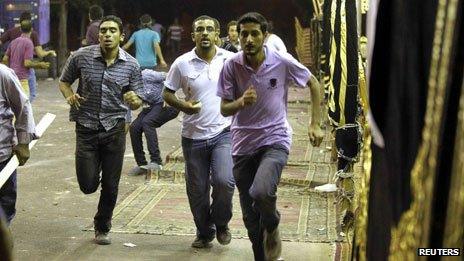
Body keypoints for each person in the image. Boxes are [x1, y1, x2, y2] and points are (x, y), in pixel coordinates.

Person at [217, 12, 324, 261]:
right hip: (242, 144)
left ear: (265, 35)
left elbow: (314, 83)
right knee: (250, 220)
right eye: (244, 34)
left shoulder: (281, 61)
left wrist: (315, 123)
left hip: (275, 139)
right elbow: (224, 108)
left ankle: (273, 224)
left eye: (255, 33)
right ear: (238, 37)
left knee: (262, 192)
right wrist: (241, 101)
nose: (249, 39)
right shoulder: (231, 65)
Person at [58, 15, 144, 245]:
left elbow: (138, 100)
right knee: (87, 185)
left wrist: (134, 100)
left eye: (112, 31)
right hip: (86, 127)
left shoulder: (131, 65)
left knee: (111, 183)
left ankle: (102, 225)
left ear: (121, 36)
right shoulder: (81, 57)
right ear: (98, 35)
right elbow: (64, 81)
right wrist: (69, 95)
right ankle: (92, 172)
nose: (107, 34)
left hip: (115, 128)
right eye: (104, 30)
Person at [163, 15, 235, 249]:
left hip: (224, 133)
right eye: (199, 30)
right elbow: (167, 93)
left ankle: (222, 223)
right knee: (197, 190)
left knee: (224, 182)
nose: (204, 33)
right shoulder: (182, 63)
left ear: (217, 35)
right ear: (193, 35)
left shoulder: (231, 60)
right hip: (193, 137)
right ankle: (204, 232)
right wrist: (184, 106)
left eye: (209, 30)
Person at [0, 63, 36, 226]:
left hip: (2, 156)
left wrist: (23, 143)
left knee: (4, 208)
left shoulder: (3, 74)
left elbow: (23, 107)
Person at [128, 69, 179, 176]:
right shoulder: (127, 86)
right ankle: (141, 164)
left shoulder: (147, 75)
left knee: (147, 122)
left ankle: (156, 161)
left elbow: (171, 76)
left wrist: (169, 94)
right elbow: (131, 106)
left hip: (168, 104)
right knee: (134, 127)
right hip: (152, 106)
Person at [0, 11, 56, 102]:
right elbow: (39, 54)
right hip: (26, 73)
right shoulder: (32, 35)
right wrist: (49, 53)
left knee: (14, 96)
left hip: (13, 71)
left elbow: (5, 58)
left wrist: (8, 69)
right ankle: (24, 113)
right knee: (31, 95)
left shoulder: (11, 33)